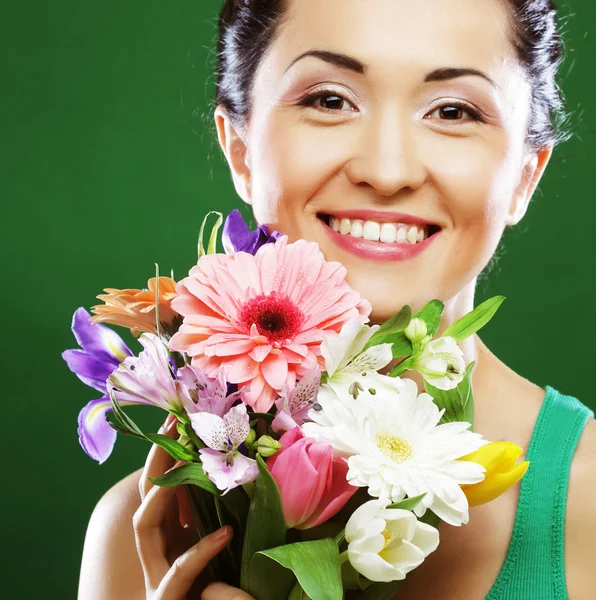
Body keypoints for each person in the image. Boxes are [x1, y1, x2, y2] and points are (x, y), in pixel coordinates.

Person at [77, 0, 596, 598]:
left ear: (526, 176)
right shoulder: (153, 533)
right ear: (240, 149)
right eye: (329, 100)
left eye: (453, 111)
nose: (387, 169)